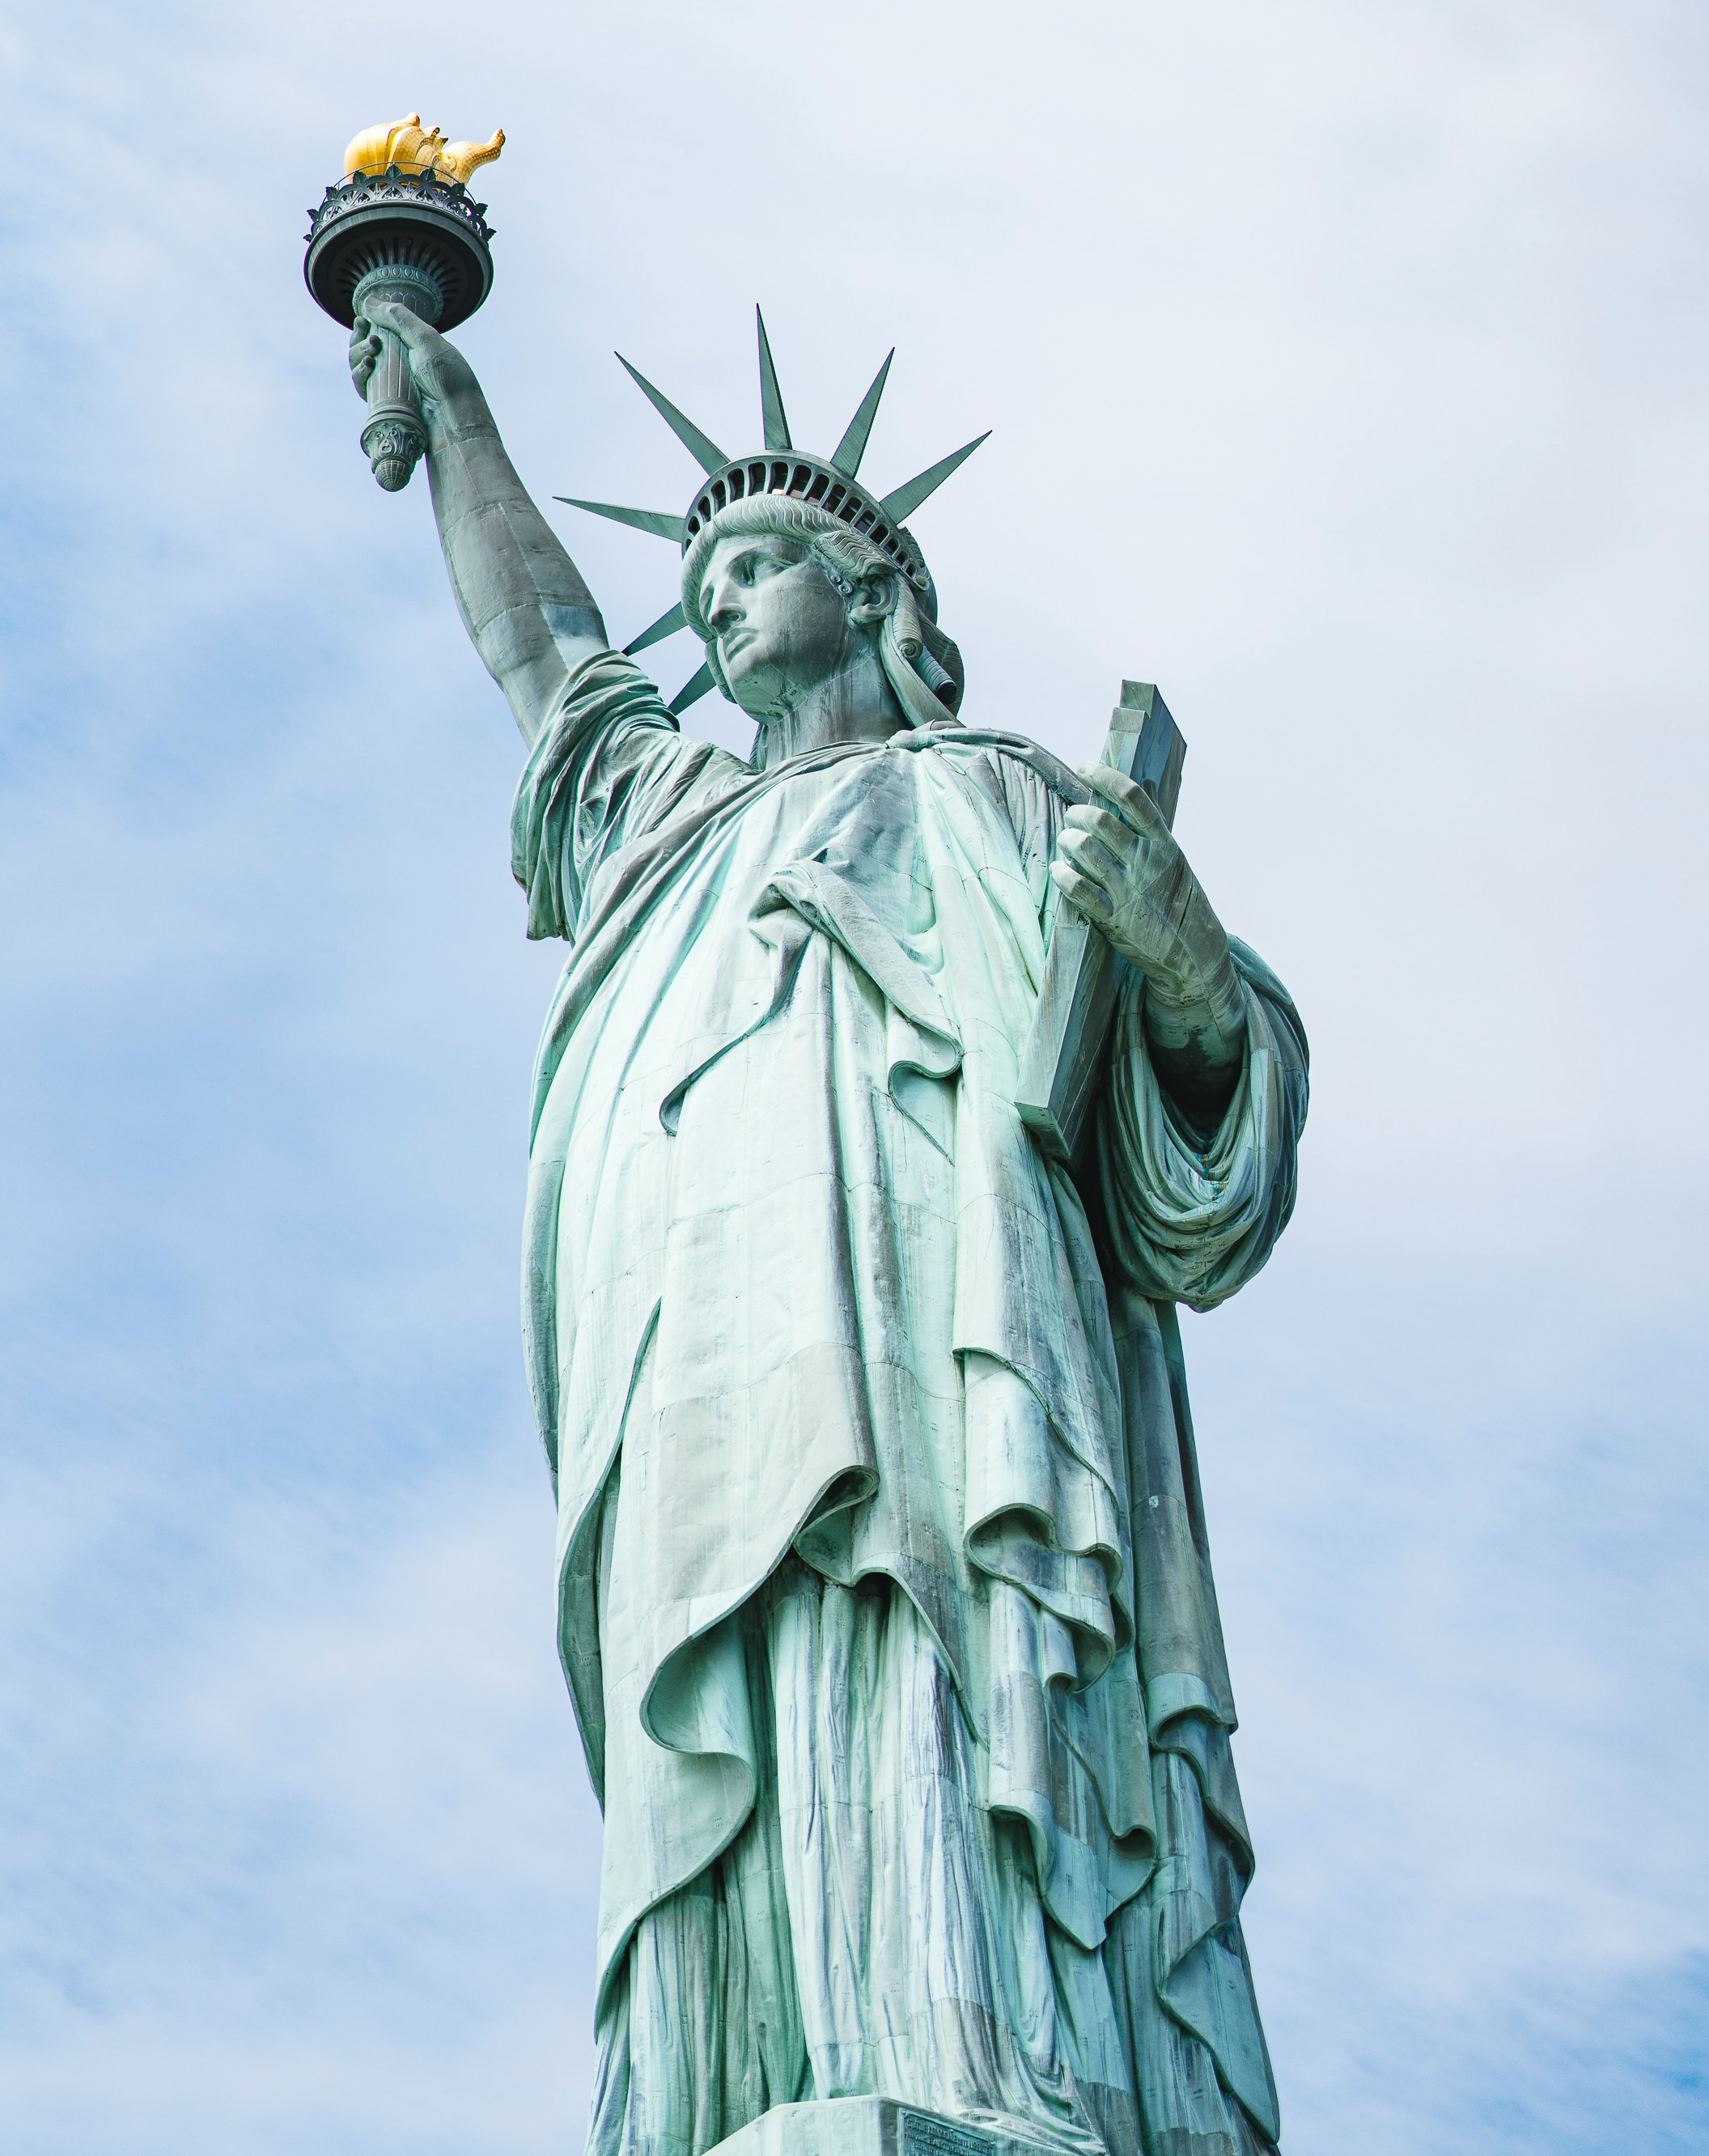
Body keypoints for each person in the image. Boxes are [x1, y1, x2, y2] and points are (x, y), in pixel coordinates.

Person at [350, 295, 1308, 2156]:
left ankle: (990, 2055)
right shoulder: (670, 832)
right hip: (705, 1365)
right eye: (699, 577)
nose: (715, 603)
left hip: (953, 1350)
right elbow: (552, 664)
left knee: (931, 1670)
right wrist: (459, 414)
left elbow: (1204, 1137)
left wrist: (1180, 962)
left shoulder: (1009, 802)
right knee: (753, 1697)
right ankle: (757, 2077)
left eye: (759, 561)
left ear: (874, 596)